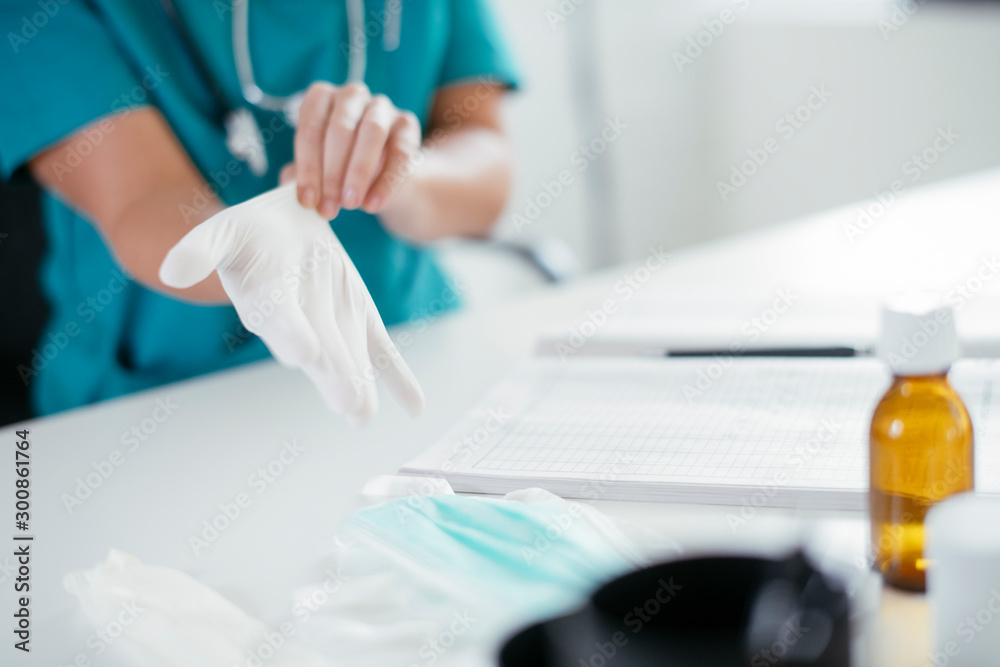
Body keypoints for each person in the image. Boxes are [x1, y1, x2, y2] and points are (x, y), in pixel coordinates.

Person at [0, 0, 518, 421]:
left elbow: (482, 151)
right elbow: (140, 199)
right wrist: (245, 252)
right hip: (163, 410)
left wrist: (399, 176)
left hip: (418, 348)